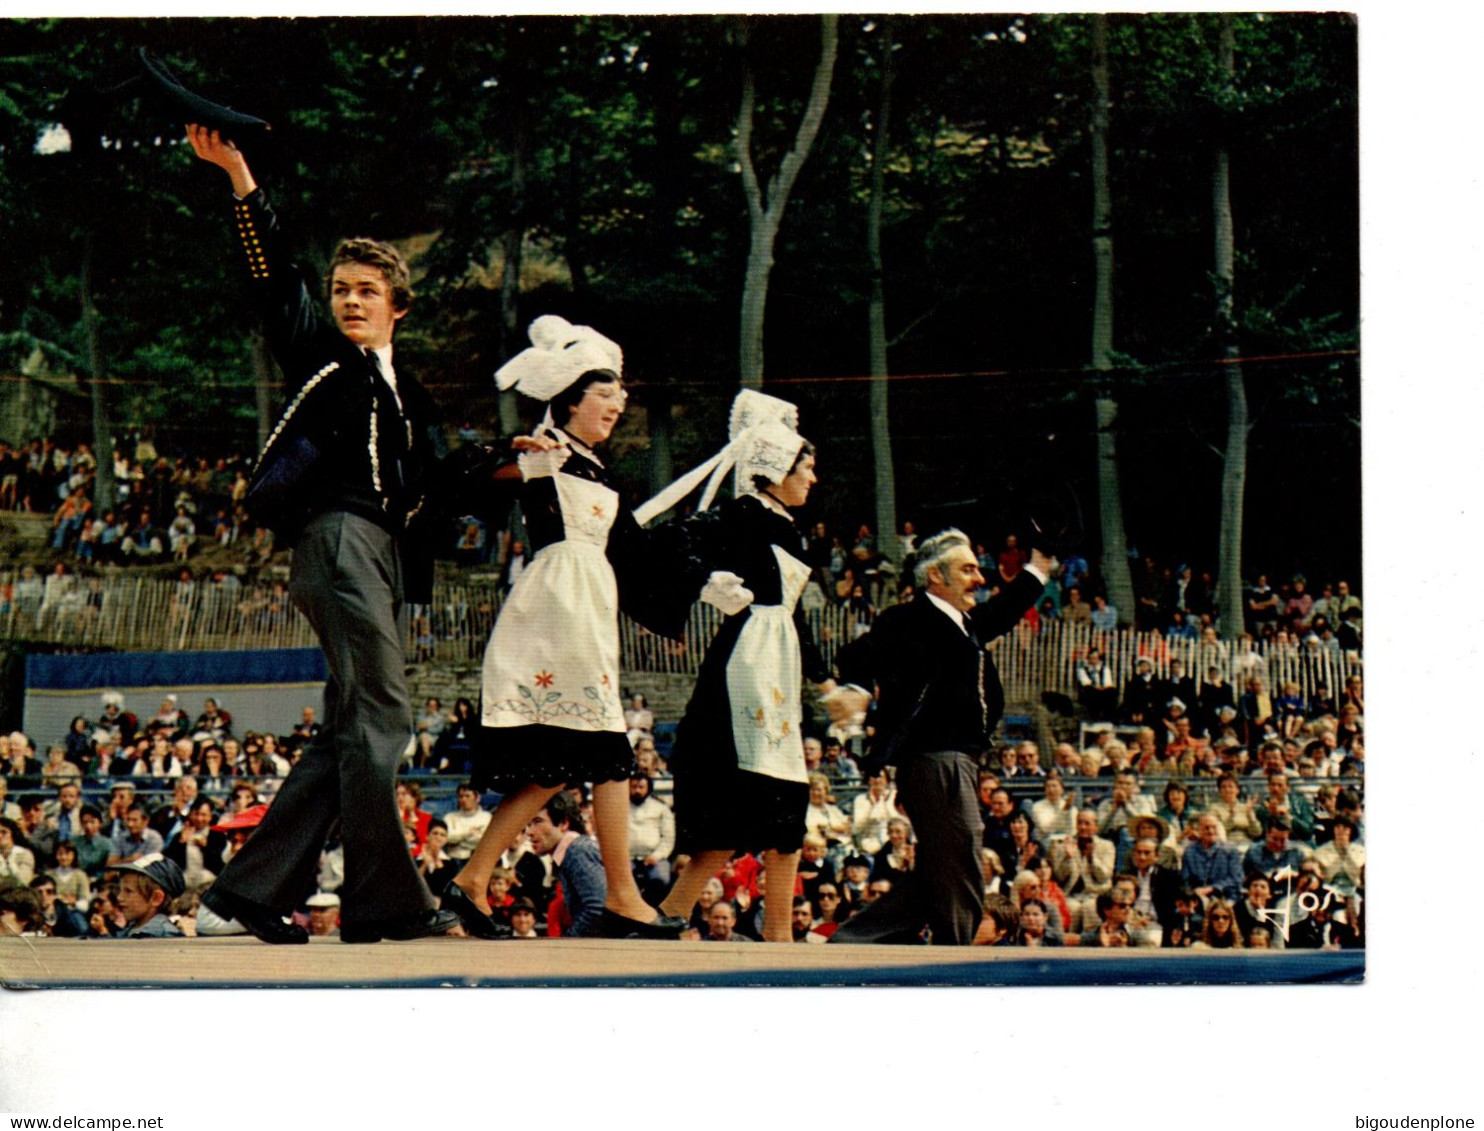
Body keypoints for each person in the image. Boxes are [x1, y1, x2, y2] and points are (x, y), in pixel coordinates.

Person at [185, 125, 455, 945]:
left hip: (380, 557)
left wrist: (521, 464)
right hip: (337, 541)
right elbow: (272, 281)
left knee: (350, 728)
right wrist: (240, 178)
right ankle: (386, 903)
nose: (348, 299)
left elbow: (445, 480)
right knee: (383, 712)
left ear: (398, 306)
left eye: (366, 290)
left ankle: (251, 890)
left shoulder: (411, 394)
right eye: (341, 287)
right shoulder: (325, 360)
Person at [442, 316, 696, 942]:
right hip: (557, 607)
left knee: (567, 760)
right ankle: (621, 895)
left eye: (619, 397)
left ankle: (475, 879)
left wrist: (695, 585)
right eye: (604, 395)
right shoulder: (544, 454)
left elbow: (633, 549)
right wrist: (511, 458)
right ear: (571, 398)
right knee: (601, 747)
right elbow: (465, 482)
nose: (617, 405)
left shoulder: (595, 470)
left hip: (587, 606)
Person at [643, 393, 836, 943]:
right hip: (743, 668)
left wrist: (824, 680)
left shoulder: (788, 527)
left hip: (776, 668)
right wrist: (706, 582)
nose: (814, 478)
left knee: (783, 807)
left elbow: (793, 616)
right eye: (807, 466)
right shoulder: (743, 513)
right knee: (740, 808)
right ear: (775, 469)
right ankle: (678, 916)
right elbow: (671, 539)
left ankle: (776, 934)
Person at [828, 528, 1049, 945]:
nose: (979, 578)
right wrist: (857, 693)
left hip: (957, 760)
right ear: (935, 577)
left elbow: (1007, 607)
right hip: (933, 758)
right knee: (964, 847)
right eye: (967, 570)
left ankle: (854, 939)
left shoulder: (966, 624)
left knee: (938, 870)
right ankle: (958, 956)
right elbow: (856, 656)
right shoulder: (906, 619)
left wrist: (1039, 566)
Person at [522, 792, 608, 938]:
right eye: (528, 824)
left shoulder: (577, 851)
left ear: (563, 823)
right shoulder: (572, 852)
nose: (529, 832)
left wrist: (569, 941)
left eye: (537, 821)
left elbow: (597, 907)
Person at [108, 853, 187, 939]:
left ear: (156, 898)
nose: (119, 897)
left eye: (128, 891)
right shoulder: (130, 930)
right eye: (121, 890)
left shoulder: (165, 936)